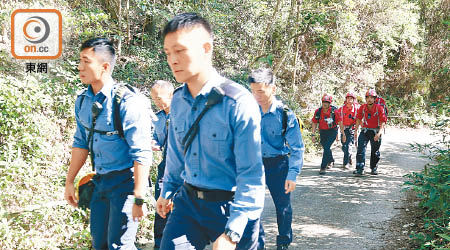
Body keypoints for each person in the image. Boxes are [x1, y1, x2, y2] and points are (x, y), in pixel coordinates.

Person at [155, 13, 265, 250]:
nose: (172, 60)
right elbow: (175, 154)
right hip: (188, 204)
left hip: (232, 207)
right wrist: (168, 190)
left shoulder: (238, 103)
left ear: (206, 48)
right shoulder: (178, 100)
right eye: (167, 53)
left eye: (180, 51)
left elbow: (251, 175)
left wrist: (233, 233)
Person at [64, 38, 153, 249]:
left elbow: (142, 153)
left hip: (126, 183)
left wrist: (139, 197)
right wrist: (70, 181)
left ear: (104, 67)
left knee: (119, 245)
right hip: (100, 182)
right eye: (80, 60)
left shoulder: (128, 102)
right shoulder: (83, 101)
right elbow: (81, 143)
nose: (80, 67)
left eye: (86, 61)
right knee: (100, 243)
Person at [249, 68, 304, 250]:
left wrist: (293, 174)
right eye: (253, 91)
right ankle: (257, 242)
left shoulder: (285, 115)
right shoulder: (248, 111)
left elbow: (297, 148)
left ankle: (283, 241)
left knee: (283, 206)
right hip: (254, 164)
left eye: (261, 91)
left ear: (273, 88)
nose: (256, 96)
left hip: (278, 164)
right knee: (251, 205)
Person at [150, 80, 174, 249]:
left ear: (171, 95)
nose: (157, 102)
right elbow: (156, 140)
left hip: (186, 167)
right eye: (154, 99)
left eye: (159, 98)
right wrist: (152, 143)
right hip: (165, 166)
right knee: (161, 204)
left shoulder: (185, 115)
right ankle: (160, 245)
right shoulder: (157, 118)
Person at [353, 89, 387, 176]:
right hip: (365, 131)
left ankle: (374, 167)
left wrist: (379, 134)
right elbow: (358, 119)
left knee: (375, 151)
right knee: (360, 149)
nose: (369, 99)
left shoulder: (379, 108)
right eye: (368, 97)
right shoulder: (363, 107)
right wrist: (356, 131)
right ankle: (360, 168)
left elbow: (383, 121)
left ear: (375, 99)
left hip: (375, 131)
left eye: (372, 98)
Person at [311, 94, 343, 175]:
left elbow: (340, 122)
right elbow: (314, 122)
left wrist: (343, 134)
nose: (325, 104)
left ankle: (323, 167)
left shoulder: (334, 112)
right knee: (326, 147)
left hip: (332, 131)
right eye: (324, 102)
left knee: (326, 147)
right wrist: (313, 134)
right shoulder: (318, 111)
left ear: (330, 103)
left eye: (327, 102)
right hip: (322, 132)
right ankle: (331, 160)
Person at [336, 92, 359, 169]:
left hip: (352, 129)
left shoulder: (357, 109)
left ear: (353, 100)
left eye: (351, 99)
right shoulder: (341, 109)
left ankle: (345, 163)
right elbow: (337, 121)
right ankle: (349, 157)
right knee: (344, 146)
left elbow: (359, 120)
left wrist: (356, 131)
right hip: (343, 129)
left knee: (348, 145)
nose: (349, 100)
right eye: (348, 98)